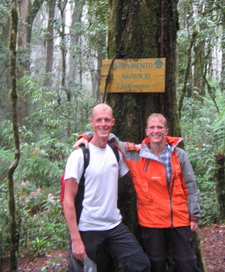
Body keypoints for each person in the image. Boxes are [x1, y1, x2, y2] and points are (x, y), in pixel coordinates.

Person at [75, 113, 201, 272]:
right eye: (152, 127)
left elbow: (190, 185)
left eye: (160, 127)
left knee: (186, 262)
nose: (156, 131)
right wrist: (85, 136)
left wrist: (194, 215)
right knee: (156, 263)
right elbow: (108, 135)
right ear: (146, 131)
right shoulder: (136, 153)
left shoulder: (178, 154)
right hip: (151, 220)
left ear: (166, 130)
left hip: (180, 218)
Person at [63, 103, 151, 272]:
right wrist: (75, 239)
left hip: (114, 225)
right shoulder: (79, 156)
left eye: (107, 120)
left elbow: (136, 175)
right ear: (91, 122)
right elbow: (68, 200)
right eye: (98, 120)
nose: (103, 124)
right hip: (87, 227)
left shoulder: (115, 152)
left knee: (141, 264)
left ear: (113, 122)